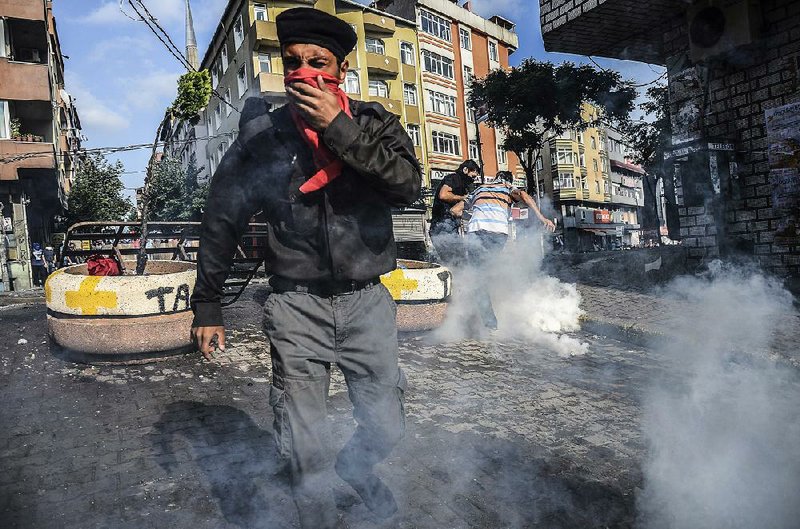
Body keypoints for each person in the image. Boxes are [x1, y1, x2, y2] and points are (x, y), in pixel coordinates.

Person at [190, 8, 421, 529]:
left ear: (341, 68)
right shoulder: (262, 136)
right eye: (292, 62)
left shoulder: (372, 123)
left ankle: (357, 470)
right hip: (295, 307)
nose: (303, 72)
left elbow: (407, 186)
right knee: (305, 449)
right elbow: (222, 216)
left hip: (367, 303)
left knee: (386, 424)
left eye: (318, 62)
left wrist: (336, 129)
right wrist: (207, 303)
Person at [464, 171, 555, 330]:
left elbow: (457, 210)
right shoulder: (507, 186)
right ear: (507, 180)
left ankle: (481, 317)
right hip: (497, 233)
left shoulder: (479, 189)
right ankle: (490, 321)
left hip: (476, 232)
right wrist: (542, 218)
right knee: (482, 275)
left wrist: (470, 217)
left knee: (478, 276)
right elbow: (524, 196)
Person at [429, 159, 480, 266]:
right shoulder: (454, 178)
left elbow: (456, 211)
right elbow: (443, 195)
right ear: (465, 170)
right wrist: (463, 198)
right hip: (442, 228)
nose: (473, 179)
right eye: (473, 176)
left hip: (450, 228)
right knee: (454, 262)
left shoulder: (462, 185)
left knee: (458, 261)